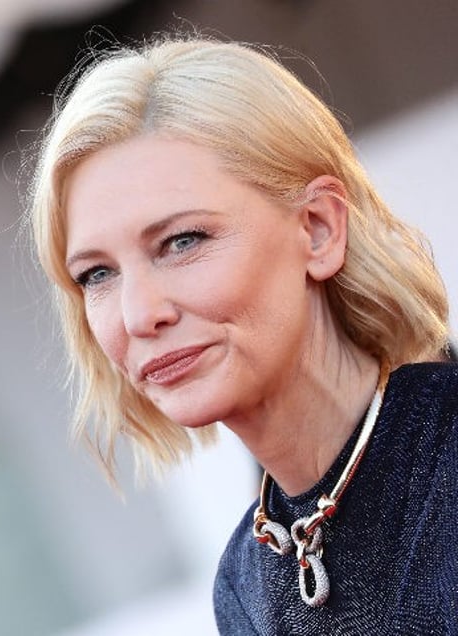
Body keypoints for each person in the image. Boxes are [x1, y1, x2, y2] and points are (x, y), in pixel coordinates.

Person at [26, 35, 458, 634]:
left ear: (317, 230)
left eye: (182, 242)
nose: (137, 313)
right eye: (97, 274)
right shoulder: (245, 582)